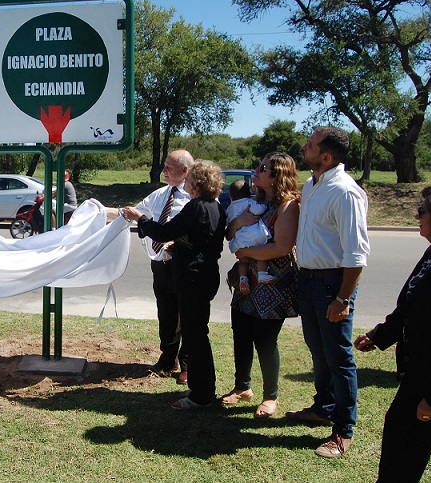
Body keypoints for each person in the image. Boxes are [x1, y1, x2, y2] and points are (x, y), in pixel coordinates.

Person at [286, 126, 370, 458]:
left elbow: (356, 255)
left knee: (338, 357)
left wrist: (343, 298)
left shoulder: (345, 192)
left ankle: (343, 430)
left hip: (331, 286)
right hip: (307, 281)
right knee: (318, 351)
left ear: (326, 156)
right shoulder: (312, 185)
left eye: (310, 145)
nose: (303, 147)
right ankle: (324, 407)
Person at [354, 185, 431, 482]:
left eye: (422, 211)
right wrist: (381, 335)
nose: (416, 216)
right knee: (399, 452)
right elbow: (410, 304)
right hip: (418, 375)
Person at [122, 159, 226, 409]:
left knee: (195, 337)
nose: (186, 182)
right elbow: (205, 241)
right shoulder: (215, 207)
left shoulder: (195, 207)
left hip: (192, 278)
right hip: (206, 275)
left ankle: (201, 395)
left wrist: (141, 219)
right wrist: (180, 245)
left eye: (189, 179)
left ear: (196, 184)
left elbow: (162, 232)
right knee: (197, 334)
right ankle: (203, 390)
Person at [223, 153, 301, 419]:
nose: (256, 171)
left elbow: (281, 247)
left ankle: (271, 397)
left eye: (263, 168)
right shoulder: (254, 201)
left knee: (266, 341)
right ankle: (242, 387)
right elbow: (229, 233)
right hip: (247, 278)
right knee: (241, 333)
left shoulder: (287, 206)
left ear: (277, 175)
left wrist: (245, 250)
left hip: (273, 281)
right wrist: (238, 223)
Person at [114, 150, 193, 382]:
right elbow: (136, 213)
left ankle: (187, 365)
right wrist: (101, 212)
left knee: (187, 314)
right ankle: (168, 359)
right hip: (160, 264)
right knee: (166, 312)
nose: (164, 171)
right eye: (164, 166)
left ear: (185, 171)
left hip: (184, 265)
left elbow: (201, 230)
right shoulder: (160, 194)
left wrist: (178, 243)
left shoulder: (195, 197)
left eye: (169, 167)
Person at [225, 179, 273, 294]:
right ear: (249, 194)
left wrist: (237, 222)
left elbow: (228, 226)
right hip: (253, 236)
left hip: (240, 240)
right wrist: (264, 205)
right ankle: (262, 274)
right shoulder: (249, 202)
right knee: (260, 256)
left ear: (231, 196)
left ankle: (243, 278)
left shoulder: (230, 208)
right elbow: (260, 209)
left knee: (243, 262)